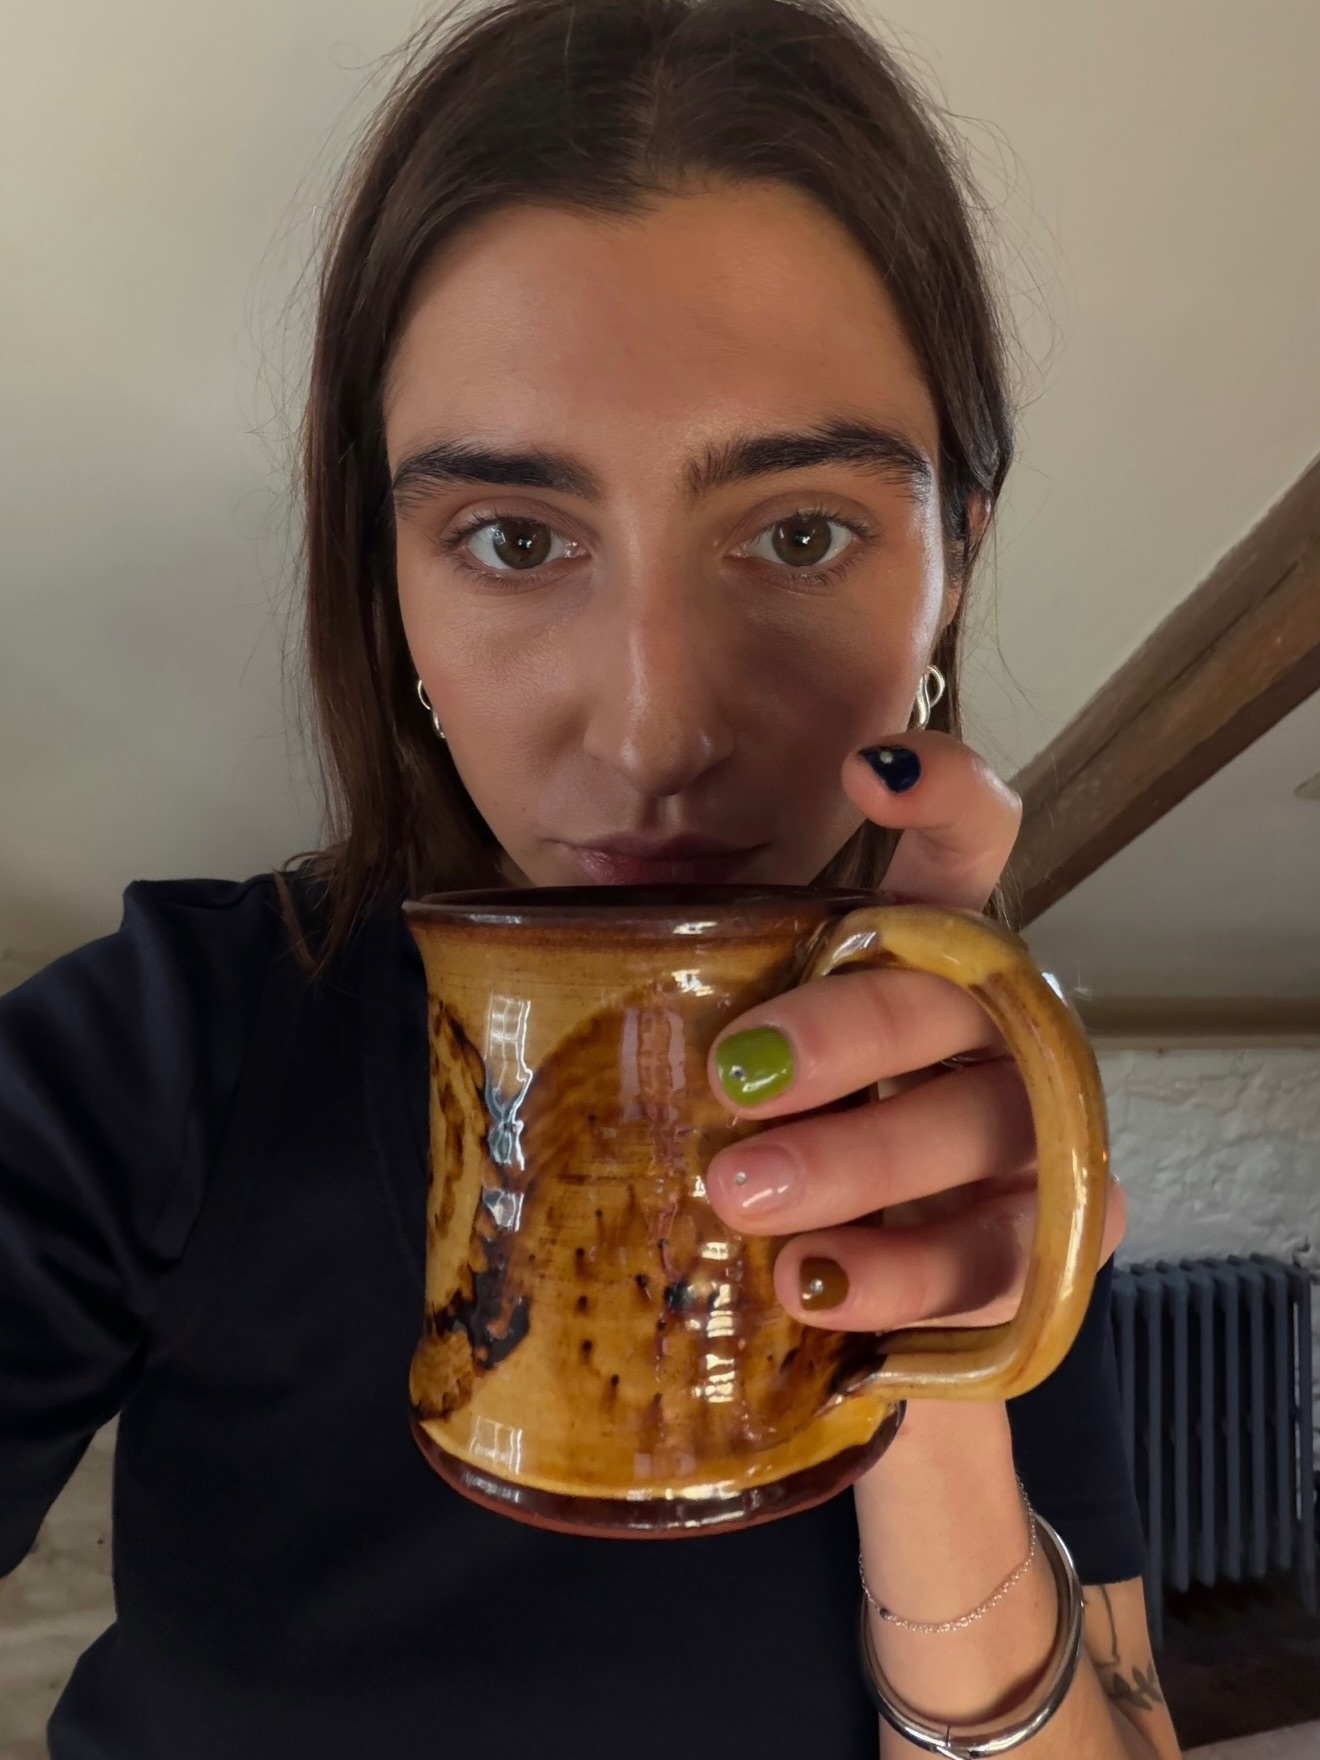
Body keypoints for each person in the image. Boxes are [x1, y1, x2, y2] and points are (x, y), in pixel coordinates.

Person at [0, 1, 1184, 1754]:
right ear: (387, 575)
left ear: (952, 564)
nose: (654, 730)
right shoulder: (166, 1052)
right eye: (513, 539)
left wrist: (928, 1390)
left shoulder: (965, 1093)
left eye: (800, 533)